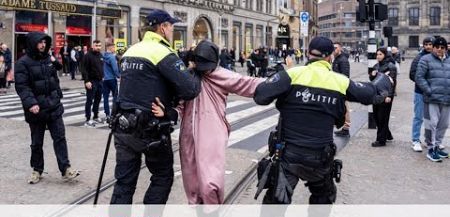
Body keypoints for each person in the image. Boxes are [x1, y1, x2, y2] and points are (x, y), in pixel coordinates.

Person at [253, 36, 393, 205]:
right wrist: (385, 79)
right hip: (319, 157)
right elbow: (372, 93)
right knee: (323, 198)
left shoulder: (292, 75)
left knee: (274, 207)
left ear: (308, 53)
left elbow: (260, 96)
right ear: (330, 57)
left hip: (288, 154)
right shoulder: (339, 81)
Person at [152, 40, 265, 204]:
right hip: (189, 135)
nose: (206, 70)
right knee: (191, 181)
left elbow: (247, 83)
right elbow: (180, 105)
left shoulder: (222, 75)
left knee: (210, 183)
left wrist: (279, 81)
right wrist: (168, 114)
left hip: (211, 133)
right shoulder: (189, 77)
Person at [109, 9, 201, 205]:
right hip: (150, 129)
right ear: (162, 27)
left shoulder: (131, 50)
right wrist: (192, 71)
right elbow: (191, 89)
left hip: (123, 126)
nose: (172, 30)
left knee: (124, 183)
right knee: (162, 176)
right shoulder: (162, 51)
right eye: (171, 26)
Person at [14, 32, 79, 184]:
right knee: (37, 142)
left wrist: (57, 95)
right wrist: (31, 103)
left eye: (45, 42)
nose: (43, 45)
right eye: (40, 42)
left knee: (60, 138)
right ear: (32, 43)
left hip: (54, 107)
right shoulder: (23, 63)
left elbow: (56, 74)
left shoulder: (48, 58)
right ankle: (37, 170)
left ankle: (66, 169)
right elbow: (22, 86)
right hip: (36, 109)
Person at [415, 36, 450, 162]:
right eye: (437, 47)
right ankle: (430, 148)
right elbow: (419, 77)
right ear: (434, 48)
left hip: (446, 98)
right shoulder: (425, 59)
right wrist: (429, 91)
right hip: (432, 98)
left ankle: (437, 146)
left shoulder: (448, 60)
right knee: (431, 124)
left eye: (443, 47)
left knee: (443, 125)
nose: (440, 49)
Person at [409, 37, 435, 152]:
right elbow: (412, 74)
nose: (428, 46)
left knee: (432, 118)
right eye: (426, 44)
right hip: (420, 92)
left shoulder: (439, 57)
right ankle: (415, 140)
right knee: (419, 117)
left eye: (430, 44)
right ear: (423, 45)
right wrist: (425, 84)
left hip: (434, 92)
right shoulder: (418, 58)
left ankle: (430, 140)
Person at [370, 48, 396, 147]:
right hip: (376, 94)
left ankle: (381, 140)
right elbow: (373, 80)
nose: (378, 56)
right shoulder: (376, 66)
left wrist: (389, 95)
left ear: (385, 55)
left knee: (382, 117)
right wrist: (372, 75)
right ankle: (387, 134)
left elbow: (392, 82)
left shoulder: (391, 66)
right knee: (376, 116)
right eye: (377, 54)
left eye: (380, 54)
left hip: (386, 95)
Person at [81, 40, 104, 127]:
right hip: (91, 81)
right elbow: (84, 69)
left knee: (98, 99)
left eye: (100, 45)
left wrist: (103, 76)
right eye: (96, 45)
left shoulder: (100, 55)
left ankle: (95, 116)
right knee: (89, 100)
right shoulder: (88, 56)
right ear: (93, 46)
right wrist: (86, 81)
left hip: (99, 81)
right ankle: (88, 118)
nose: (98, 47)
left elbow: (101, 67)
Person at [332, 42, 351, 137]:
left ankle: (346, 127)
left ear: (340, 49)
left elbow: (345, 76)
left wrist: (341, 87)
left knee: (345, 108)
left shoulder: (342, 60)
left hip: (341, 88)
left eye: (335, 48)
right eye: (333, 48)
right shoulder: (336, 59)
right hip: (337, 87)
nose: (333, 49)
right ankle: (343, 126)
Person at [102, 42, 120, 122]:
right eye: (113, 47)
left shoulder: (103, 56)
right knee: (115, 97)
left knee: (105, 98)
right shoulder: (112, 57)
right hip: (112, 79)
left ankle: (107, 114)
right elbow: (115, 69)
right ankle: (114, 114)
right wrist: (119, 76)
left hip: (104, 79)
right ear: (110, 47)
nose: (114, 49)